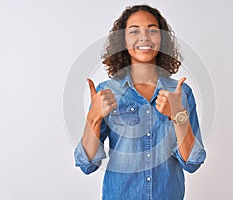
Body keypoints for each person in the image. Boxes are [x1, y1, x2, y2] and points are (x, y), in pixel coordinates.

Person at [74, 4, 206, 200]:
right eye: (134, 31)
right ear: (123, 40)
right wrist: (93, 117)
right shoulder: (107, 92)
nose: (144, 37)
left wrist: (178, 115)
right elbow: (87, 165)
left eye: (152, 30)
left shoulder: (180, 93)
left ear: (162, 39)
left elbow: (192, 163)